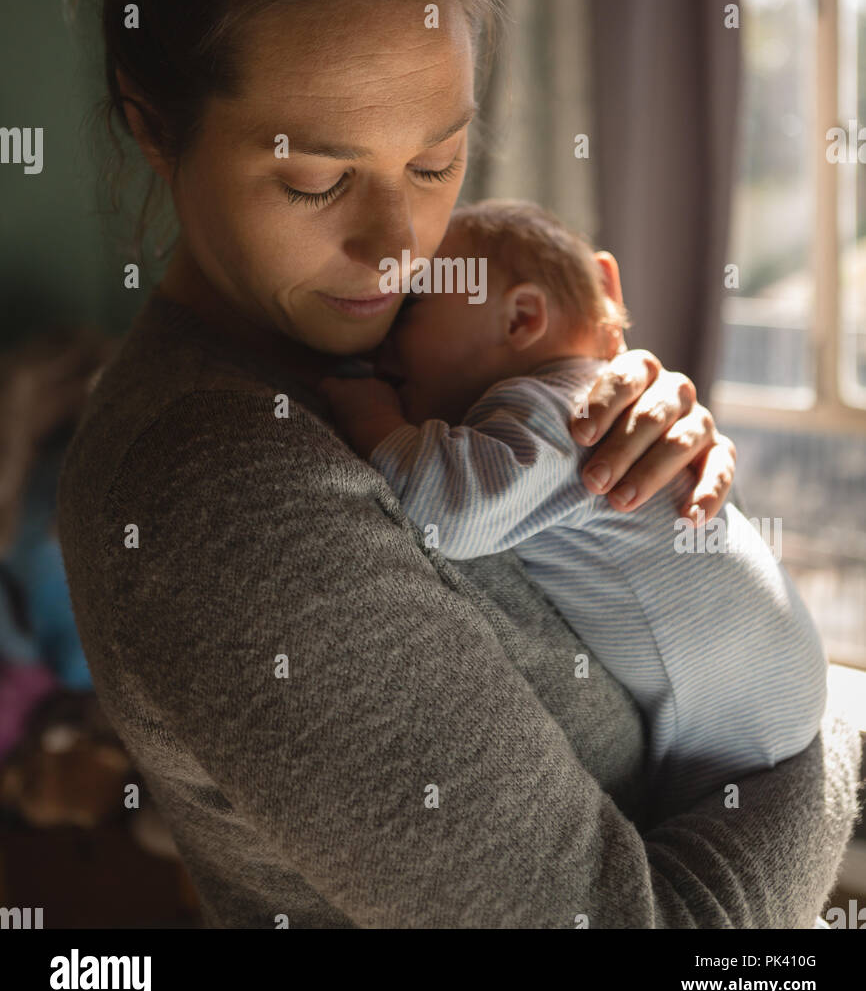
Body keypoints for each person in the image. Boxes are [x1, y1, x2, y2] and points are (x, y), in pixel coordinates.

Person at [55, 0, 860, 928]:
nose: (397, 246)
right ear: (150, 123)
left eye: (437, 164)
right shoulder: (219, 488)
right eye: (314, 177)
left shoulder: (423, 330)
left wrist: (635, 455)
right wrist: (813, 745)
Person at [320, 198, 829, 818]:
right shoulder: (589, 400)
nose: (384, 352)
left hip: (733, 725)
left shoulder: (554, 411)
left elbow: (442, 511)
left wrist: (368, 412)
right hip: (769, 694)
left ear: (523, 317)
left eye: (409, 311)